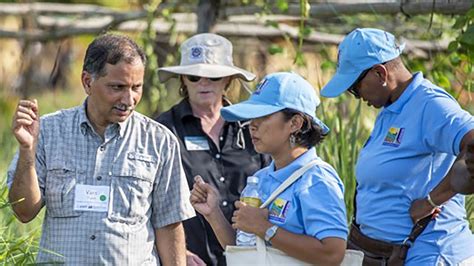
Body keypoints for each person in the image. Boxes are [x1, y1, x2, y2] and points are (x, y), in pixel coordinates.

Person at [7, 34, 195, 265]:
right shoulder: (47, 132)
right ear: (87, 81)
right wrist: (27, 150)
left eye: (136, 87)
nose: (128, 99)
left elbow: (169, 224)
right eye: (117, 87)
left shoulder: (159, 141)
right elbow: (24, 212)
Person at [321, 28, 474, 265]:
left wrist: (432, 200)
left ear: (380, 73)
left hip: (432, 253)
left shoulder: (430, 104)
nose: (356, 95)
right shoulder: (392, 107)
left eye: (355, 87)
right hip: (393, 255)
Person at [190, 72, 349, 265]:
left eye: (263, 116)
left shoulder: (317, 179)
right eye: (251, 116)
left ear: (295, 123)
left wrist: (265, 227)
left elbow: (333, 253)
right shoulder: (260, 178)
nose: (252, 125)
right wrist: (213, 213)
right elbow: (246, 252)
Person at [156, 33, 270, 266]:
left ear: (228, 80)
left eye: (213, 76)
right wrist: (179, 252)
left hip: (253, 257)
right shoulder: (163, 130)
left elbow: (274, 185)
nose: (203, 83)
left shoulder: (252, 128)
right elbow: (149, 202)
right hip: (193, 259)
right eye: (194, 76)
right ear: (183, 80)